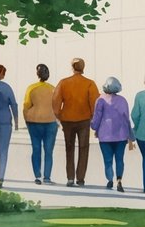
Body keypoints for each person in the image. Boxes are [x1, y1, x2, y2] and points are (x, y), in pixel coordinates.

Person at [52, 57, 100, 187]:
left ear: (72, 67)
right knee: (84, 148)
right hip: (84, 120)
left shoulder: (63, 83)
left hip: (67, 120)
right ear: (83, 67)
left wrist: (60, 116)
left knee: (69, 148)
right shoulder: (90, 83)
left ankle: (70, 178)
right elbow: (95, 103)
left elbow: (55, 103)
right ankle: (80, 178)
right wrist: (91, 117)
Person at [91, 76, 132, 192]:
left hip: (105, 136)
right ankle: (119, 179)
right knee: (120, 159)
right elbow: (126, 118)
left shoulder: (100, 100)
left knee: (107, 160)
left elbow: (97, 117)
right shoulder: (123, 100)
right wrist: (130, 135)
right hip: (121, 135)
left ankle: (110, 179)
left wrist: (94, 127)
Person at [22, 63, 58, 185]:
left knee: (36, 149)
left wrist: (26, 119)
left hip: (34, 122)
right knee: (49, 151)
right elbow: (57, 106)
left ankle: (37, 176)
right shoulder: (53, 88)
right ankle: (47, 177)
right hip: (50, 122)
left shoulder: (31, 88)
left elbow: (26, 106)